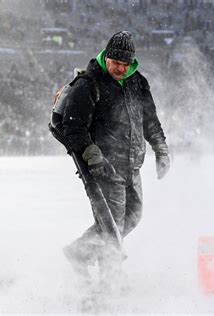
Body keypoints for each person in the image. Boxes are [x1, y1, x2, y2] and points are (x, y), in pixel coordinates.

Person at [60, 31, 170, 287]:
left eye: (125, 63)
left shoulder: (137, 82)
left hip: (132, 165)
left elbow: (150, 120)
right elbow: (73, 126)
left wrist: (161, 149)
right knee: (112, 224)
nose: (120, 68)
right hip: (104, 168)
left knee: (132, 215)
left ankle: (79, 253)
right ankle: (110, 280)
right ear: (106, 57)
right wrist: (93, 155)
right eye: (116, 63)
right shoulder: (89, 84)